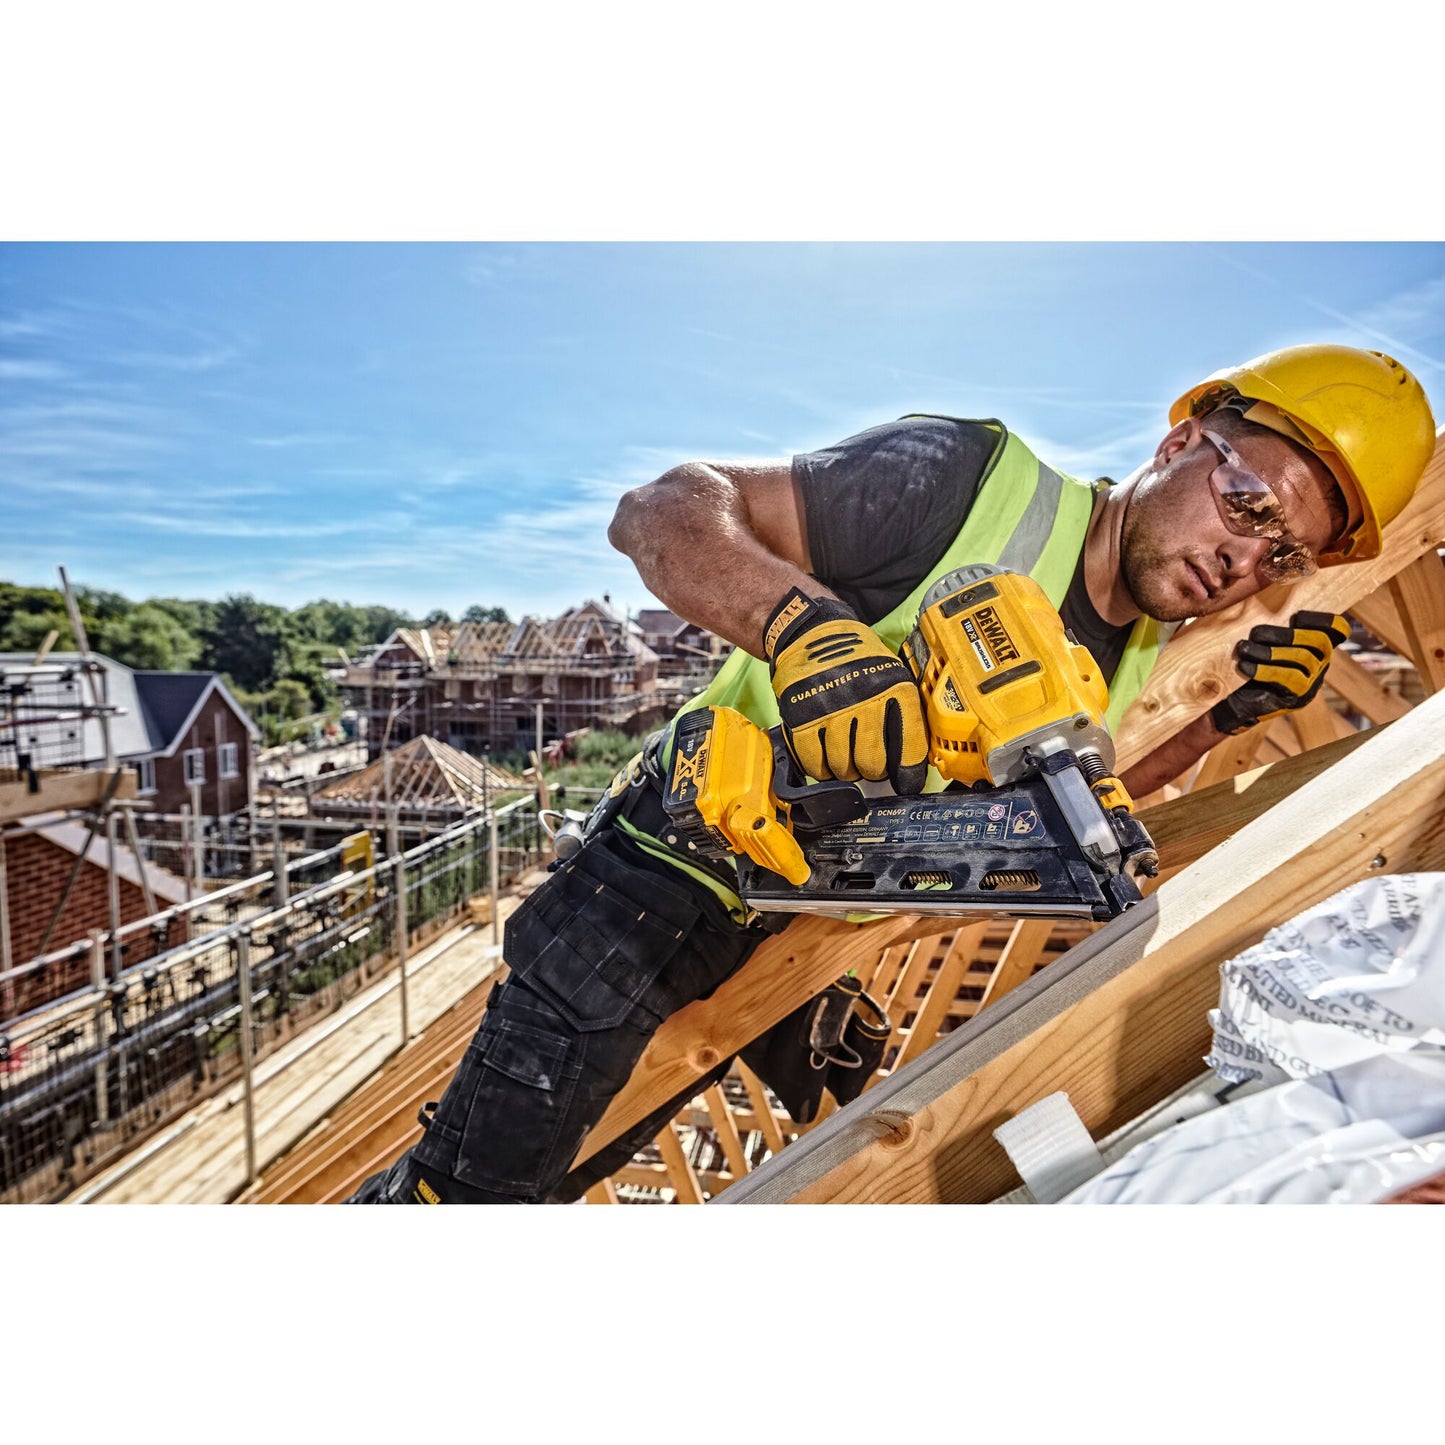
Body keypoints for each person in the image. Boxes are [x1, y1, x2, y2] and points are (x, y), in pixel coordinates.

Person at [349, 342, 1436, 1204]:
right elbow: (660, 512)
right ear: (1183, 435)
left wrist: (1224, 721)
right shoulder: (971, 484)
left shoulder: (1136, 652)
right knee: (472, 1197)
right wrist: (806, 629)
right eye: (1247, 504)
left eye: (1281, 555)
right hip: (654, 874)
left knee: (586, 1159)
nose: (1243, 559)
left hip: (790, 926)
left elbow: (1058, 805)